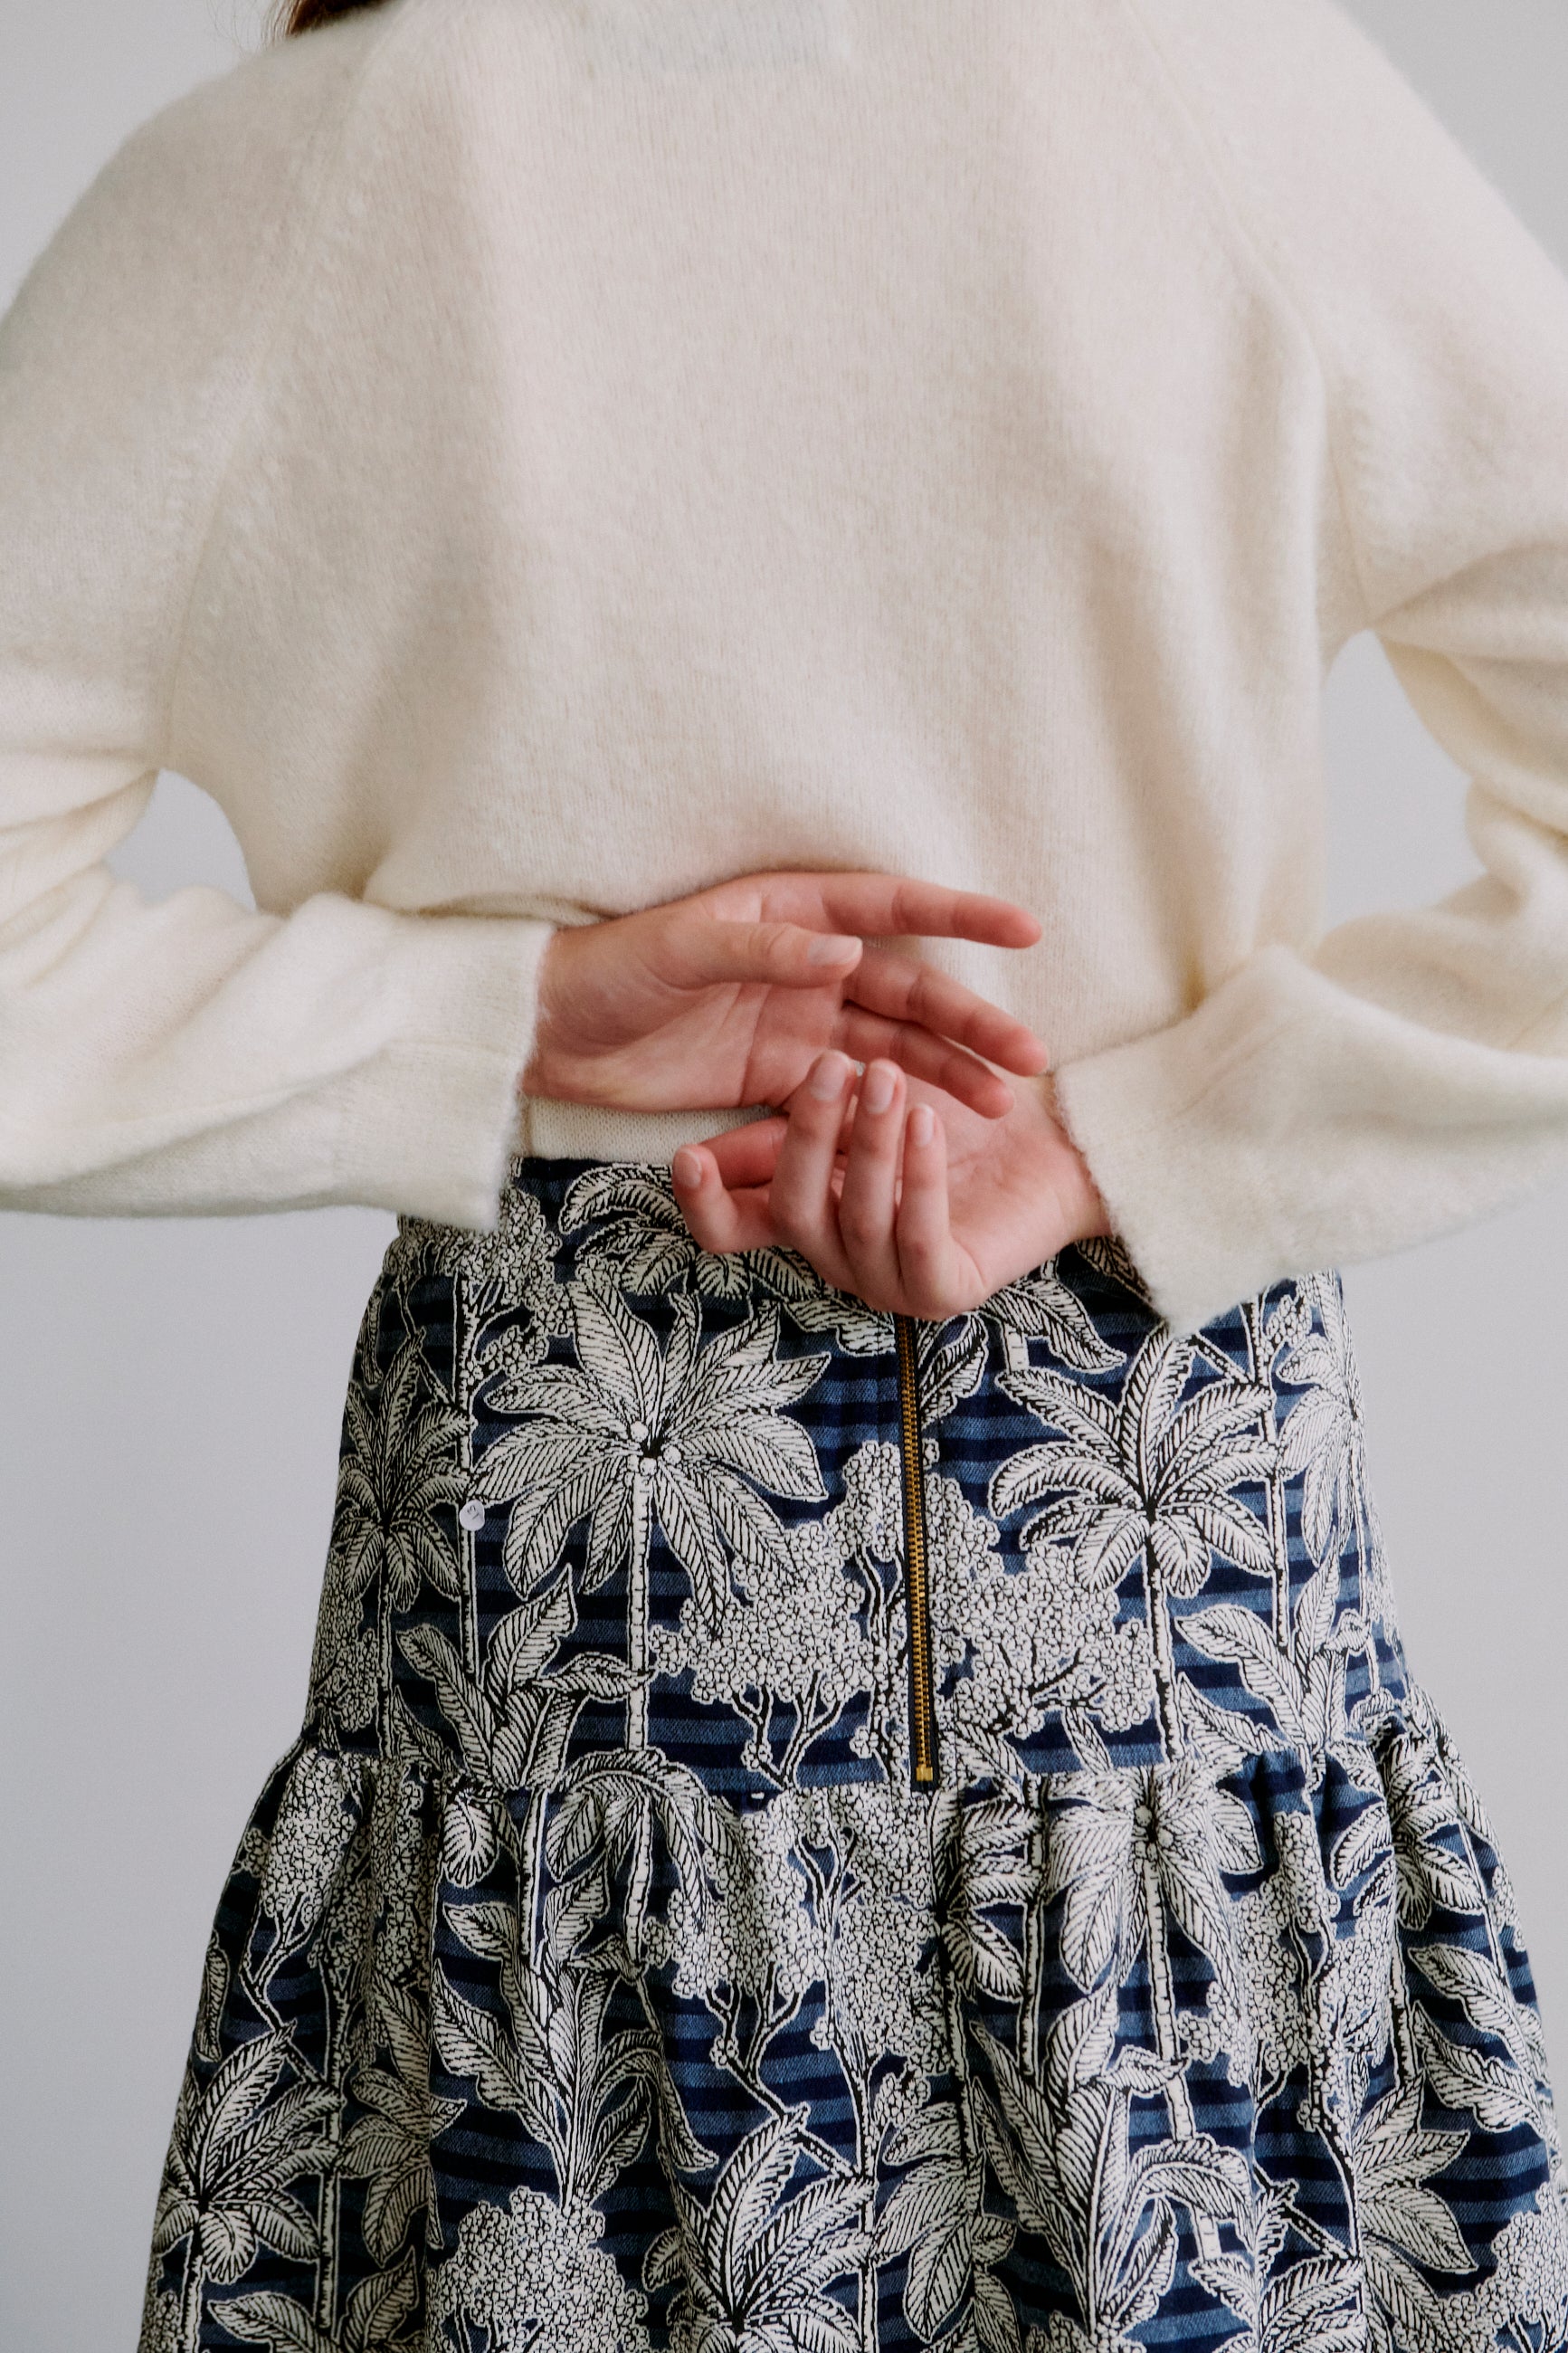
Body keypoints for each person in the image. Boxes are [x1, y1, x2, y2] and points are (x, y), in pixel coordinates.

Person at [4, 0, 1568, 2342]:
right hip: (1142, 1544)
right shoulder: (1224, 95)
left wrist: (491, 1020)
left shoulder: (287, 173)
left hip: (571, 1566)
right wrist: (1131, 1145)